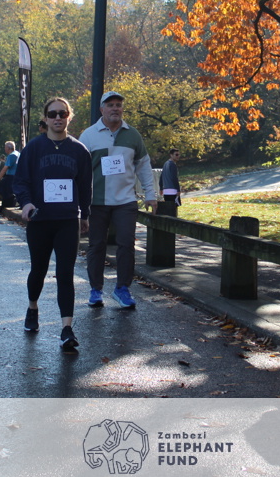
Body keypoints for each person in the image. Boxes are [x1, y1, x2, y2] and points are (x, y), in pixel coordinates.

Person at [13, 98, 92, 352]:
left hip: (67, 220)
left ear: (69, 117)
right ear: (45, 118)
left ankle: (67, 329)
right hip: (40, 220)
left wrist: (85, 215)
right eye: (53, 114)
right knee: (38, 269)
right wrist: (26, 203)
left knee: (65, 273)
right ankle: (32, 307)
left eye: (63, 113)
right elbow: (21, 181)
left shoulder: (79, 150)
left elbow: (85, 187)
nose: (58, 118)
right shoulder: (34, 148)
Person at [79, 91, 158, 309]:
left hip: (125, 201)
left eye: (118, 105)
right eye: (110, 105)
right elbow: (80, 170)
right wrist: (79, 203)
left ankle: (122, 288)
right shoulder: (89, 135)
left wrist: (150, 194)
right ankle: (96, 290)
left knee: (126, 244)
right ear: (101, 109)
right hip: (96, 201)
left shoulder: (133, 134)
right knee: (96, 246)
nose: (115, 108)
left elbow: (143, 165)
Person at [159, 148, 182, 217]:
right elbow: (174, 178)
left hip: (166, 191)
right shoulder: (172, 165)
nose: (178, 156)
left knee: (168, 210)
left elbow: (161, 177)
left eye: (179, 155)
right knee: (173, 210)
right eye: (176, 155)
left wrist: (161, 188)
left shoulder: (165, 164)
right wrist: (178, 190)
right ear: (171, 155)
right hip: (172, 191)